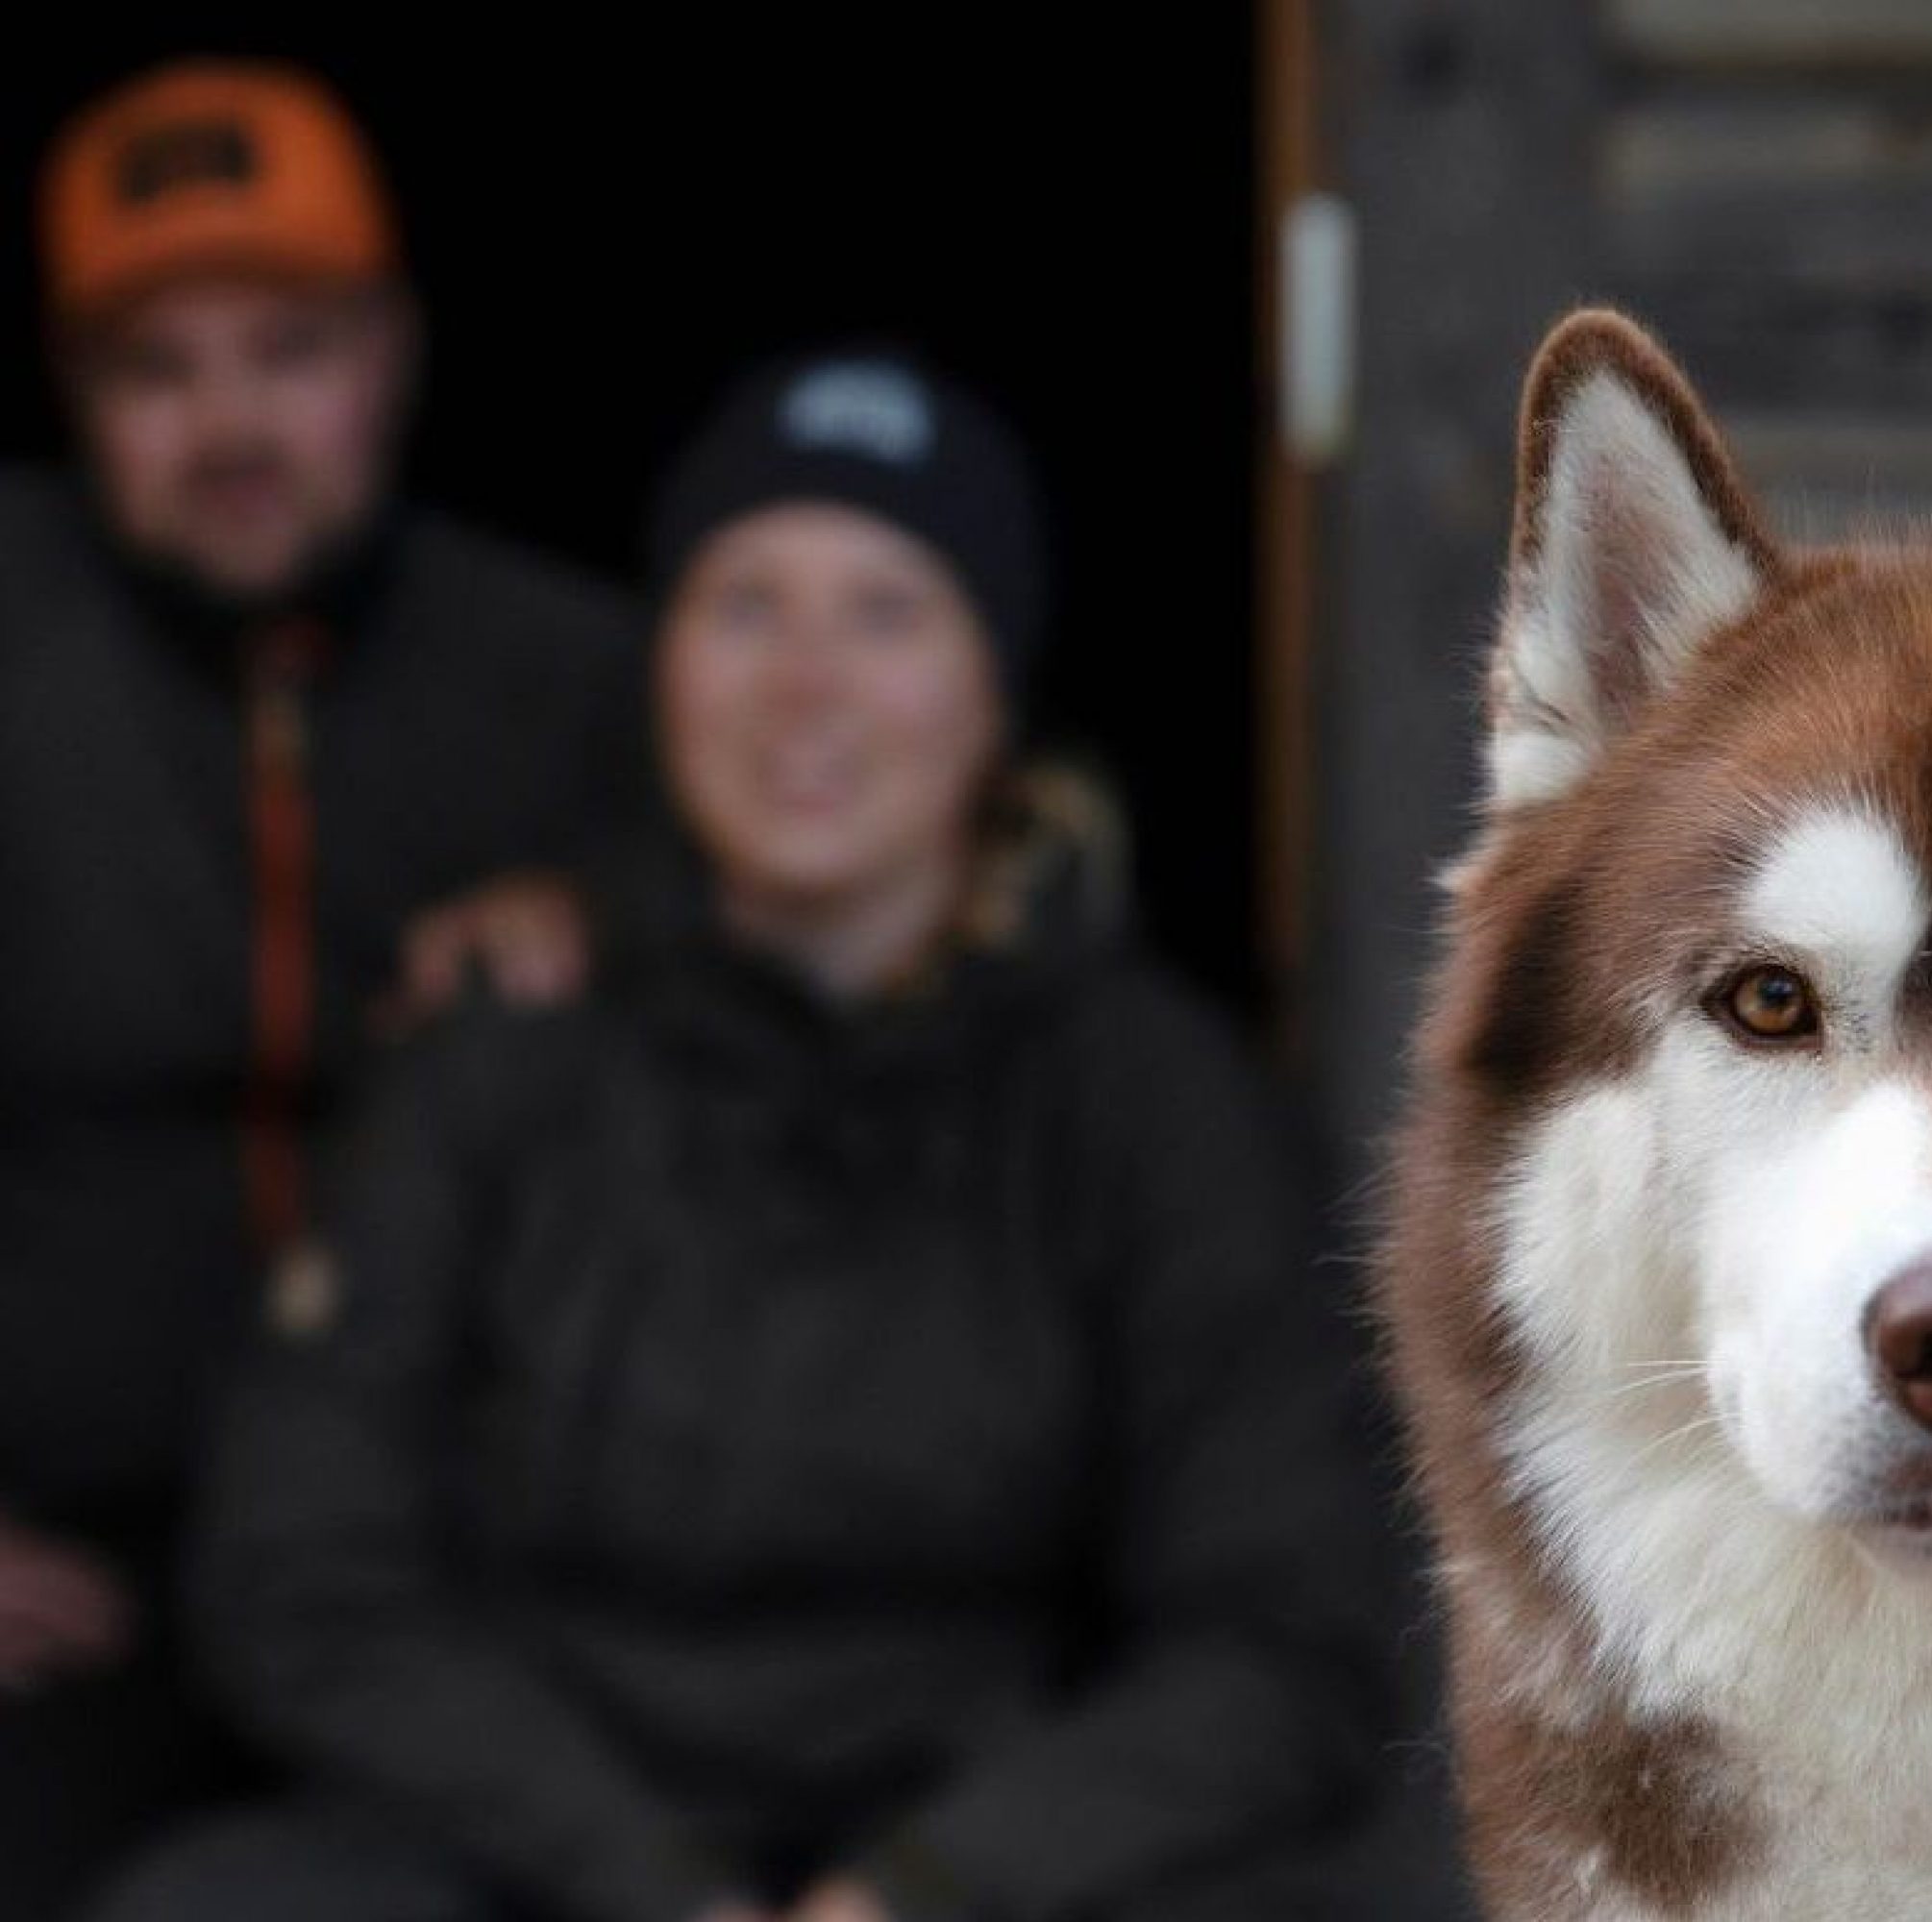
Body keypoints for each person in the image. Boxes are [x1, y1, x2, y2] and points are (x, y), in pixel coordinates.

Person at [90, 348, 1398, 1922]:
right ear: (662, 669)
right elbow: (298, 1569)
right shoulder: (504, 1053)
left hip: (988, 1849)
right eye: (746, 607)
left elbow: (1288, 1629)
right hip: (542, 1846)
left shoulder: (1147, 1099)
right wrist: (651, 1886)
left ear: (995, 692)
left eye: (887, 612)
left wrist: (919, 1893)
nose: (806, 685)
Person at [0, 59, 649, 1913]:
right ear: (77, 403)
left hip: (462, 1590)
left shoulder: (585, 676)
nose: (230, 425)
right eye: (157, 368)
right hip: (74, 1587)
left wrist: (614, 905)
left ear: (394, 357)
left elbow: (922, 851)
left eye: (288, 349)